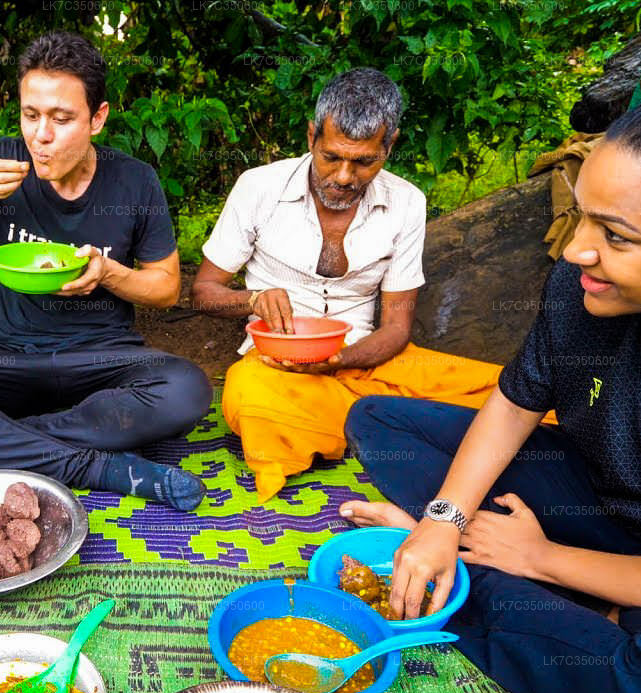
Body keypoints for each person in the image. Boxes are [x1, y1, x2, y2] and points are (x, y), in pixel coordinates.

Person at [340, 71, 641, 693]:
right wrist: (442, 522)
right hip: (589, 498)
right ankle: (491, 576)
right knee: (381, 421)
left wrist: (543, 558)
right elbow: (514, 403)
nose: (575, 250)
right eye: (582, 216)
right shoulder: (583, 287)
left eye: (616, 235)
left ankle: (478, 584)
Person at [0, 32, 212, 511]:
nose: (41, 135)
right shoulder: (2, 160)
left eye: (62, 118)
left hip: (101, 364)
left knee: (187, 390)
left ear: (98, 119)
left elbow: (167, 288)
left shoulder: (133, 179)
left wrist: (109, 273)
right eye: (31, 116)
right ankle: (92, 466)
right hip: (5, 361)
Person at [191, 68, 505, 502]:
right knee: (251, 400)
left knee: (503, 392)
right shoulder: (258, 188)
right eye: (331, 157)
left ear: (389, 147)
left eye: (363, 162)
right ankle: (395, 428)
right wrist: (254, 298)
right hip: (278, 368)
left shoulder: (407, 202)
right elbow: (204, 291)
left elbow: (396, 329)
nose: (343, 176)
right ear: (310, 137)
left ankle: (361, 425)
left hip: (365, 357)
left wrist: (339, 361)